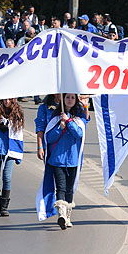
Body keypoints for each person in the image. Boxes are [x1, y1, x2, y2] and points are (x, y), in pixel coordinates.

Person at [45, 93, 87, 230]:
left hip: (73, 160)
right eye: (67, 97)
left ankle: (68, 217)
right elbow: (49, 138)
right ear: (63, 99)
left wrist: (68, 122)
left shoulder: (78, 119)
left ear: (75, 100)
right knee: (61, 188)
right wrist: (60, 128)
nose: (69, 100)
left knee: (70, 190)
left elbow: (79, 134)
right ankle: (61, 215)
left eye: (72, 98)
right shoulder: (56, 118)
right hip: (58, 160)